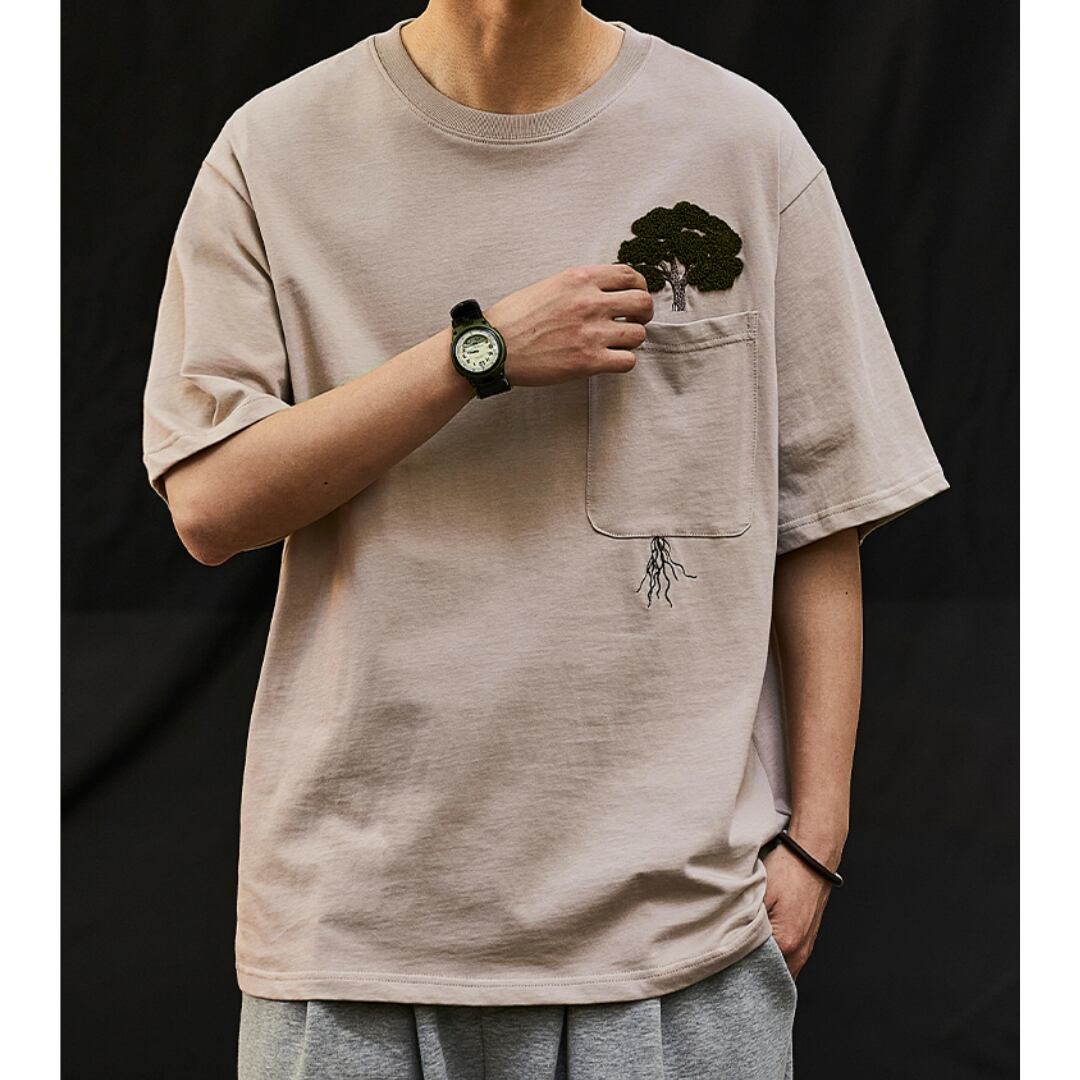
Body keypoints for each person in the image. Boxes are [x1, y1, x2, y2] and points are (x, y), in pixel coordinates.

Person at [140, 3, 950, 1077]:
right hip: (357, 932)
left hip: (678, 934)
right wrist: (474, 355)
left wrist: (817, 842)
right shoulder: (274, 148)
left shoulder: (741, 141)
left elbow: (822, 515)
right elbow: (209, 505)